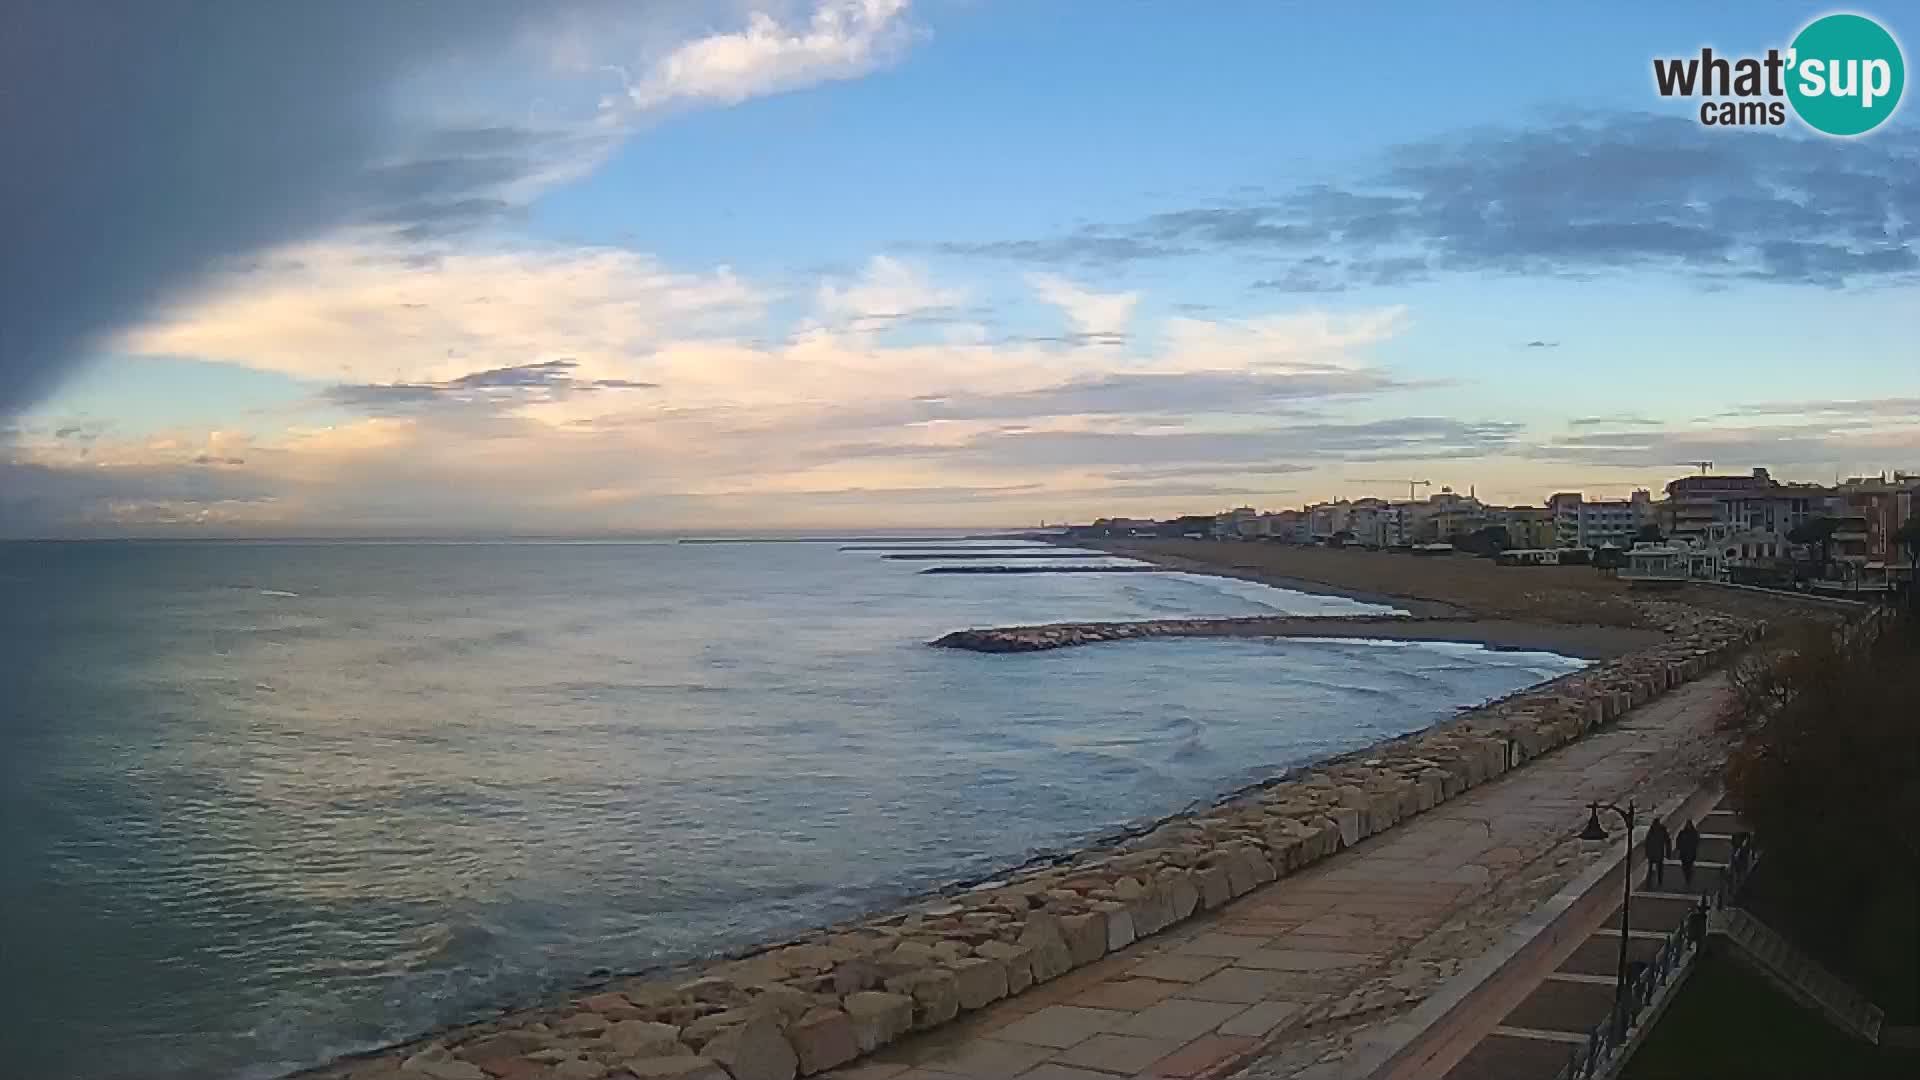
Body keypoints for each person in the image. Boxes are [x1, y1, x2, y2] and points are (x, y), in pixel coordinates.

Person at [1643, 818, 1671, 888]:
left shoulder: (1652, 830)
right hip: (1658, 852)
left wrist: (1647, 853)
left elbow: (1647, 842)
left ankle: (1649, 884)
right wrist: (1668, 853)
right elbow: (1668, 842)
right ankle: (1659, 882)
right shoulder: (1662, 829)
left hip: (1652, 853)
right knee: (1659, 868)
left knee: (1651, 868)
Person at [1676, 820, 1701, 888]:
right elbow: (1678, 841)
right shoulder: (1682, 833)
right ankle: (1687, 877)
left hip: (1690, 853)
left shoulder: (1694, 833)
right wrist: (1678, 848)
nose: (1688, 826)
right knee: (1684, 867)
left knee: (1689, 866)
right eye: (1687, 824)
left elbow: (1697, 842)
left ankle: (1688, 878)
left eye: (1688, 824)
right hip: (1684, 853)